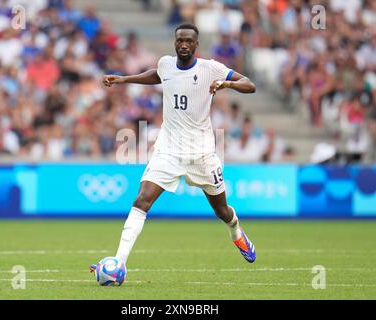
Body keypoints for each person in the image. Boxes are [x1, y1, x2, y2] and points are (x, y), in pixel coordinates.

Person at [97, 23, 257, 278]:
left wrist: (227, 85)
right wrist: (125, 79)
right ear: (175, 42)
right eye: (180, 40)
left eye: (188, 41)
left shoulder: (210, 68)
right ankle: (119, 263)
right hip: (168, 150)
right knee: (141, 201)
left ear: (196, 44)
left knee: (222, 211)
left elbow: (250, 85)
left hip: (202, 153)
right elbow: (156, 75)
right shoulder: (166, 64)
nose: (184, 45)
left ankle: (236, 233)